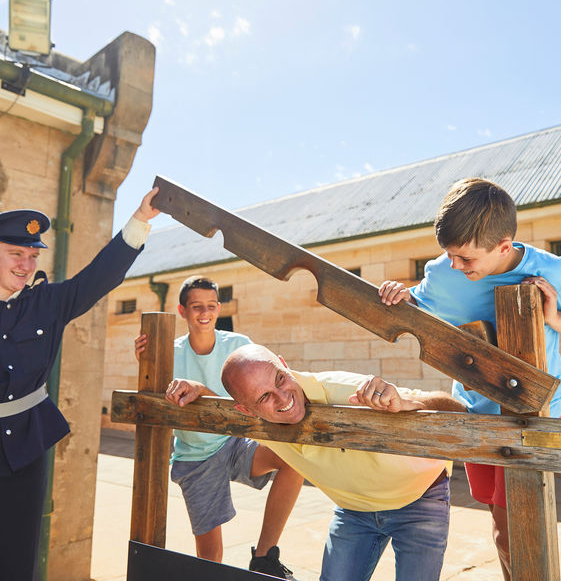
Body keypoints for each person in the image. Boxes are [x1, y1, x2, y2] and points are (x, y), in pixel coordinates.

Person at [378, 177, 561, 580]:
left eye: (466, 258)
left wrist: (554, 317)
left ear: (503, 246)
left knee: (515, 523)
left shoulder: (551, 269)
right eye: (449, 255)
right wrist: (402, 294)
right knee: (500, 525)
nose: (456, 267)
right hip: (474, 409)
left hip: (531, 412)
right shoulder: (444, 272)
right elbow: (421, 301)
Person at [0, 188, 161, 581]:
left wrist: (139, 220)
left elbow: (98, 277)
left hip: (25, 446)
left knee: (18, 557)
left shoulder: (47, 303)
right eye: (15, 254)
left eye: (33, 256)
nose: (26, 264)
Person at [216, 343, 467, 581]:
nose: (283, 398)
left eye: (280, 378)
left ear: (284, 364)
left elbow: (457, 412)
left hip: (419, 496)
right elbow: (215, 410)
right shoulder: (255, 422)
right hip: (355, 509)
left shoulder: (347, 390)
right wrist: (197, 390)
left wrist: (408, 406)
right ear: (248, 411)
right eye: (264, 397)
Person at [135, 276, 302, 579]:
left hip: (233, 443)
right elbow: (153, 399)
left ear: (219, 308)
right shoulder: (167, 352)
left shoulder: (240, 346)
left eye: (211, 306)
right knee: (211, 557)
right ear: (182, 310)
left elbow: (251, 402)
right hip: (194, 456)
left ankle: (265, 557)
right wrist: (146, 361)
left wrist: (203, 391)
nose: (205, 313)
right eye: (197, 306)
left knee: (295, 459)